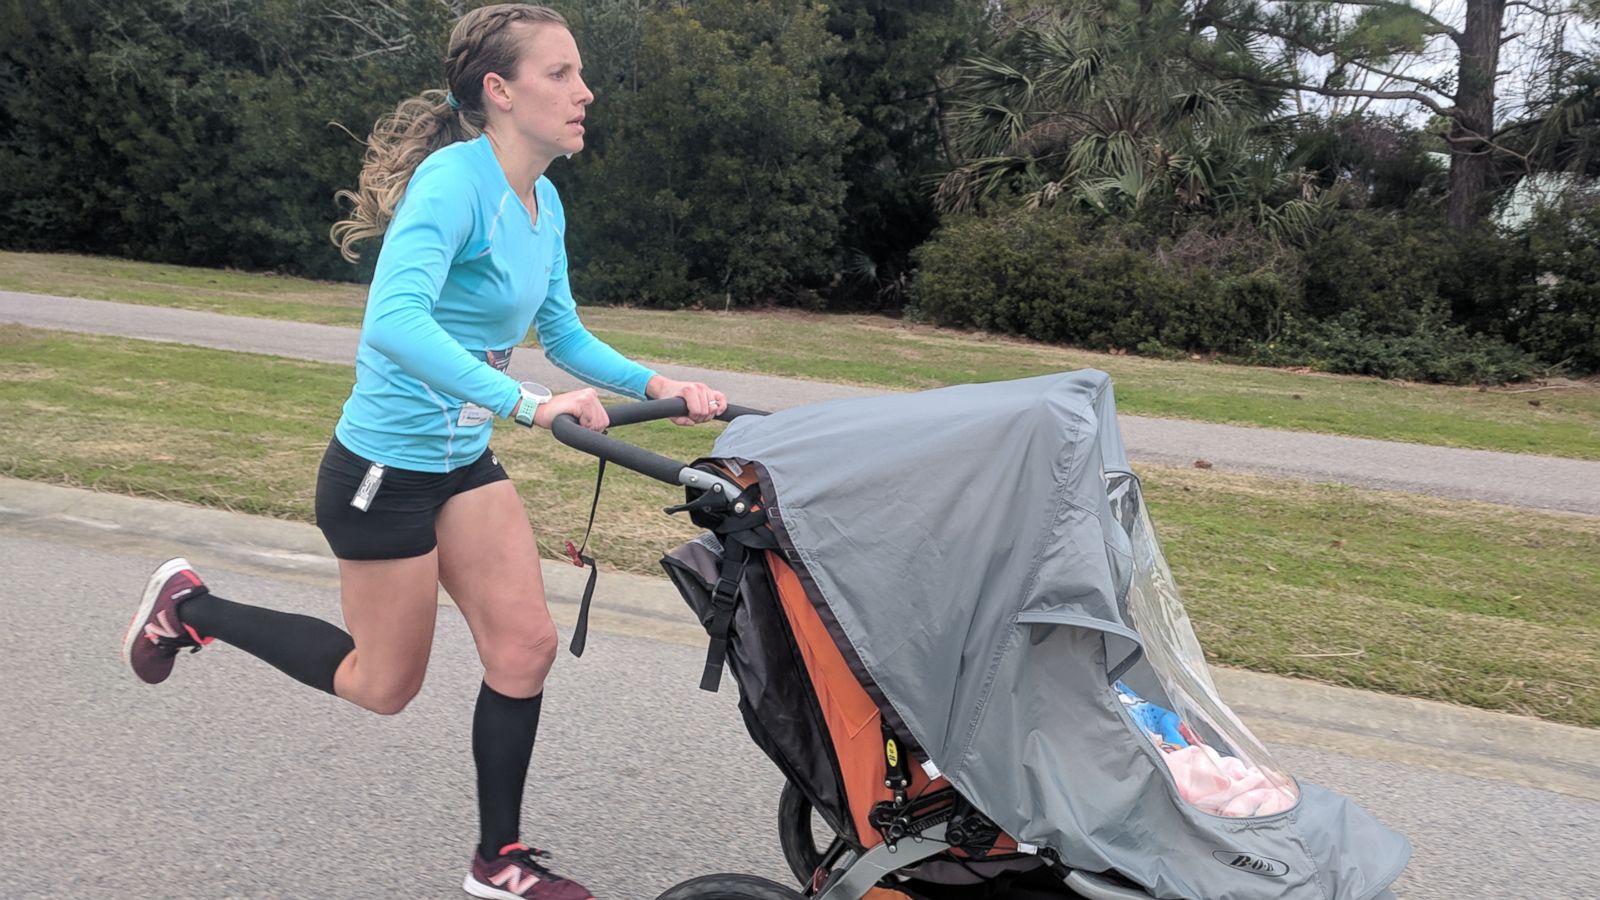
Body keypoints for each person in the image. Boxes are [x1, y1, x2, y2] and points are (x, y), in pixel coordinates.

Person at [119, 6, 725, 898]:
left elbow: (560, 331)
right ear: (500, 90)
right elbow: (393, 322)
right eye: (560, 73)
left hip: (461, 464)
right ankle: (191, 607)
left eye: (580, 73)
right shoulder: (455, 183)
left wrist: (661, 388)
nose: (584, 91)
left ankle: (498, 863)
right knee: (381, 684)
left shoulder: (541, 200)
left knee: (524, 648)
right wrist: (526, 404)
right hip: (384, 473)